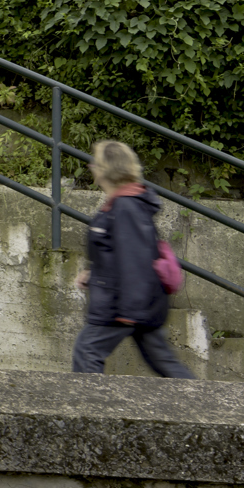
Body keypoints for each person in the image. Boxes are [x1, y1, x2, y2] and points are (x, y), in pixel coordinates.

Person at [71, 139, 193, 378]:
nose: (90, 166)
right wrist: (94, 274)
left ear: (108, 168)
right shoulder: (125, 203)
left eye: (96, 162)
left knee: (87, 352)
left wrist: (130, 312)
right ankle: (205, 406)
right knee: (165, 364)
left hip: (122, 304)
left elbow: (135, 260)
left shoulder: (126, 207)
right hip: (134, 300)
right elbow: (122, 255)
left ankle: (89, 411)